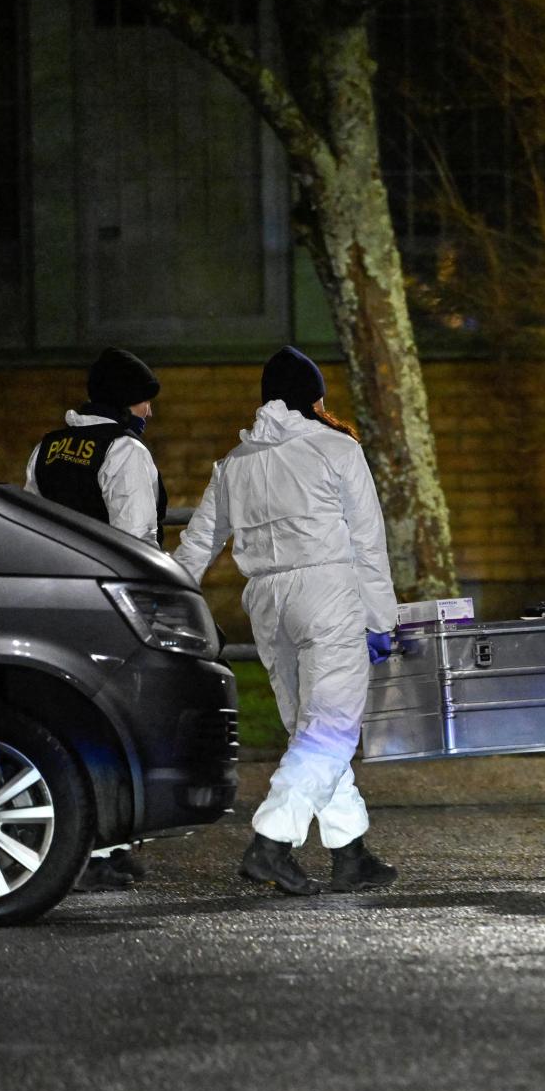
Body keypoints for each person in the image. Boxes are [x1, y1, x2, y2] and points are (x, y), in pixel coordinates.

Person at [173, 346, 399, 897]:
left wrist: (166, 597)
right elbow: (368, 539)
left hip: (267, 601)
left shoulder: (235, 463)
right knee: (332, 727)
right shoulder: (335, 448)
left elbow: (199, 542)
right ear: (313, 399)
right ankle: (271, 843)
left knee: (311, 730)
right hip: (328, 591)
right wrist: (381, 617)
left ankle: (351, 851)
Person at [25, 346, 166, 890]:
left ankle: (81, 842)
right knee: (116, 723)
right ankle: (104, 850)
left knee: (67, 718)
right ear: (124, 403)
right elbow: (136, 541)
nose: (148, 413)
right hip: (111, 606)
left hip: (56, 603)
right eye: (143, 402)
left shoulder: (48, 448)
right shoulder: (125, 451)